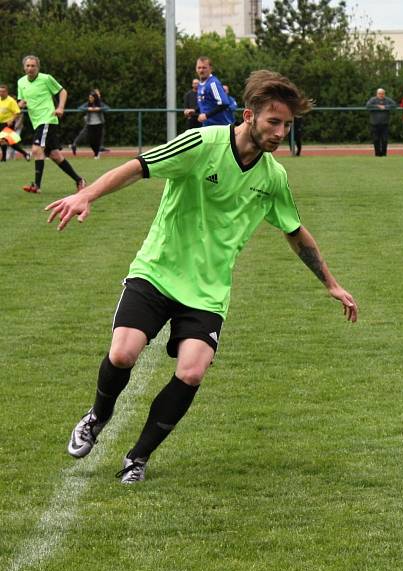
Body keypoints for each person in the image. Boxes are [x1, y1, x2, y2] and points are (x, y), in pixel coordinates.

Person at [47, 70, 358, 484]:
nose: (281, 132)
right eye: (274, 122)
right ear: (249, 115)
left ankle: (138, 458)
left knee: (192, 370)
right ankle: (97, 418)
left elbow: (295, 232)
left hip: (207, 290)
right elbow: (139, 167)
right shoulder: (202, 142)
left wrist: (331, 284)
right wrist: (86, 194)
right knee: (123, 354)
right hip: (157, 271)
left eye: (287, 125)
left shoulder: (273, 178)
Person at [16, 55, 85, 193]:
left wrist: (60, 107)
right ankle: (79, 180)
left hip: (47, 119)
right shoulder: (21, 82)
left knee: (36, 150)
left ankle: (37, 186)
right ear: (24, 67)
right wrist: (20, 104)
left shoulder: (46, 78)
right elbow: (22, 101)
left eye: (33, 66)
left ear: (38, 67)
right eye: (28, 66)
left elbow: (62, 91)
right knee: (55, 155)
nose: (30, 68)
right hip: (37, 122)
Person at [195, 56, 234, 127]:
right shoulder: (200, 85)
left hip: (220, 127)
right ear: (196, 69)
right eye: (199, 67)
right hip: (208, 127)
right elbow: (206, 105)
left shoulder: (213, 84)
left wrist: (206, 116)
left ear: (210, 69)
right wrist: (194, 111)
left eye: (204, 68)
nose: (201, 70)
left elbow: (223, 104)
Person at [74, 90, 109, 159]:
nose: (90, 99)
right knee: (91, 140)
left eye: (91, 97)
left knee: (97, 140)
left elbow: (107, 108)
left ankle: (96, 154)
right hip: (90, 124)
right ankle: (95, 152)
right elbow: (80, 108)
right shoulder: (87, 104)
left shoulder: (100, 103)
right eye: (89, 97)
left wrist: (99, 109)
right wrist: (88, 109)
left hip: (99, 124)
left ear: (95, 98)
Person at [0, 83, 30, 161]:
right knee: (10, 142)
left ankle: (3, 159)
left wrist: (12, 120)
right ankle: (25, 153)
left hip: (8, 123)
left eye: (3, 92)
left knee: (3, 140)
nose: (1, 93)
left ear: (7, 92)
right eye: (0, 91)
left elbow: (17, 112)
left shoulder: (11, 101)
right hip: (1, 123)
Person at [365, 87, 396, 157]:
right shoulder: (373, 100)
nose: (381, 95)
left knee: (385, 140)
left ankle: (384, 154)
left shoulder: (387, 100)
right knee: (376, 140)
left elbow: (394, 105)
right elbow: (367, 106)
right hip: (374, 123)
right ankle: (377, 154)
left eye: (382, 93)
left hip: (385, 124)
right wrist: (377, 106)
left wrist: (385, 107)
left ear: (384, 94)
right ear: (377, 94)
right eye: (379, 93)